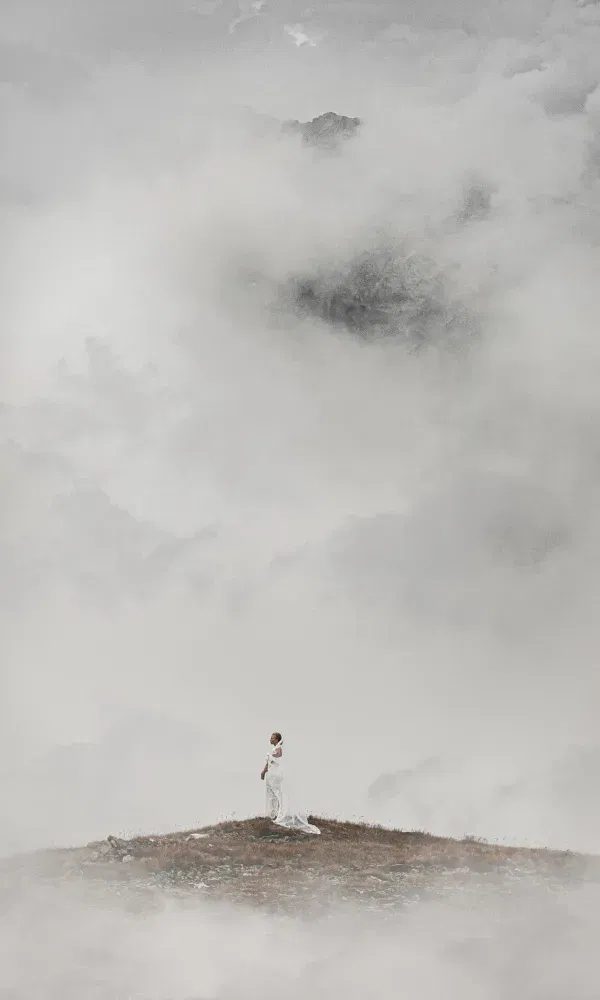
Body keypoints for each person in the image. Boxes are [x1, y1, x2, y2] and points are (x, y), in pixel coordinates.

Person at [260, 731, 320, 835]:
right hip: (271, 775)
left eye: (272, 738)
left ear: (277, 740)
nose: (270, 739)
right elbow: (269, 763)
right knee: (272, 795)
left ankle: (280, 814)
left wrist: (272, 756)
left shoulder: (278, 749)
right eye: (270, 738)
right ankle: (273, 813)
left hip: (276, 776)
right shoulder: (273, 750)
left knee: (277, 794)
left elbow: (278, 755)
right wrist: (264, 771)